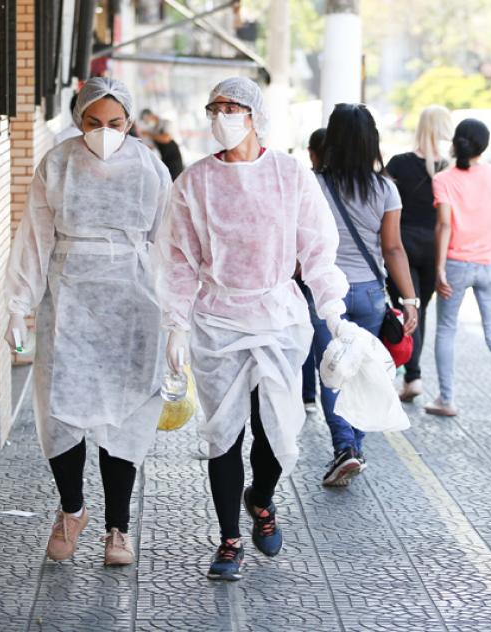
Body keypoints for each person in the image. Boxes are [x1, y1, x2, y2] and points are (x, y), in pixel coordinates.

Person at [156, 78, 354, 581]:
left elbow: (316, 246)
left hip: (279, 318)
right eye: (214, 107)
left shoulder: (290, 175)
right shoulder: (194, 183)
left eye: (232, 107)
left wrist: (333, 308)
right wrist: (175, 323)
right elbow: (178, 258)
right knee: (225, 433)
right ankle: (228, 540)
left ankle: (260, 498)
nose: (221, 116)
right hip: (217, 317)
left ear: (255, 115)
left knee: (276, 429)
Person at [4, 77, 172, 566]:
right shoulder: (57, 164)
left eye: (115, 124)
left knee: (125, 413)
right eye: (94, 123)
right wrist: (19, 304)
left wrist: (178, 318)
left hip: (133, 303)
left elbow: (167, 242)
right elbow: (34, 236)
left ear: (130, 122)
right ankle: (71, 508)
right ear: (79, 121)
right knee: (61, 410)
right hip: (70, 298)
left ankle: (117, 528)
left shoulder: (149, 167)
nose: (104, 132)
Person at [310, 103, 419, 487]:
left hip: (326, 294)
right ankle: (354, 446)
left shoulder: (314, 184)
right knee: (365, 369)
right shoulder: (385, 188)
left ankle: (345, 448)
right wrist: (409, 299)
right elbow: (393, 249)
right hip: (371, 293)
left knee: (334, 371)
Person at [426, 119, 491, 427]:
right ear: (483, 145)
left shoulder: (443, 179)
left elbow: (444, 225)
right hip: (490, 264)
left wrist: (440, 268)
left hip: (456, 263)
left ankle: (446, 399)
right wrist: (487, 226)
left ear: (456, 143)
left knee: (445, 329)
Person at [385, 105, 453, 402]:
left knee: (405, 307)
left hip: (402, 245)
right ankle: (412, 375)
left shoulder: (399, 163)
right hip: (436, 247)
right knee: (420, 311)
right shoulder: (450, 169)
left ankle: (410, 375)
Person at [300, 128, 328, 413]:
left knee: (308, 333)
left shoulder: (307, 182)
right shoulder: (376, 185)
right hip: (353, 277)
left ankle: (307, 395)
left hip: (307, 271)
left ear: (312, 153)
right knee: (330, 342)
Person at [138, 108, 185, 180]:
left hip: (173, 156)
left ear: (151, 115)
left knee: (175, 178)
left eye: (147, 120)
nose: (147, 122)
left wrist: (149, 134)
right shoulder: (153, 129)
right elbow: (152, 146)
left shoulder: (166, 123)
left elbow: (166, 138)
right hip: (164, 157)